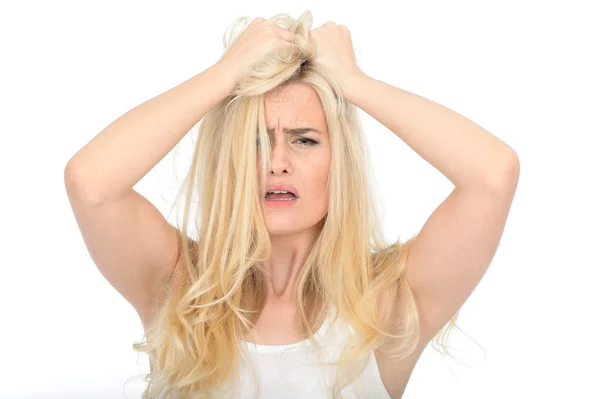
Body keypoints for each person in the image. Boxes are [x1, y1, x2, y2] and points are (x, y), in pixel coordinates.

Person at [64, 10, 519, 399]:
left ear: (338, 162)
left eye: (304, 140)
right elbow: (91, 182)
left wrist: (354, 83)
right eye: (256, 142)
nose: (277, 163)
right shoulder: (179, 285)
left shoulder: (386, 304)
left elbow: (492, 175)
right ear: (231, 162)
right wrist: (225, 74)